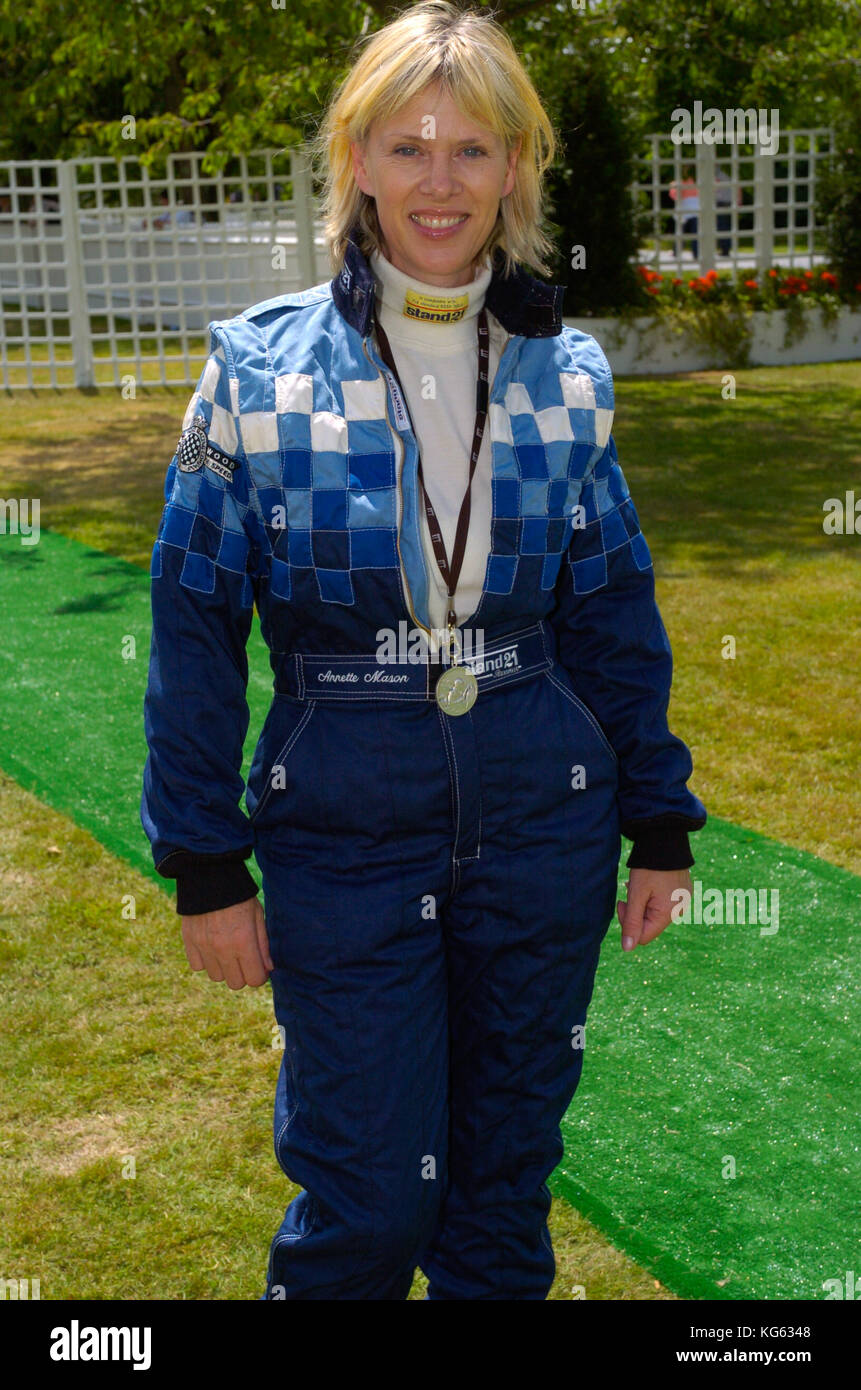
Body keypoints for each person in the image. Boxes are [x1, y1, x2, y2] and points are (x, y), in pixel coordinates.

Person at [141, 0, 706, 1301]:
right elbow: (193, 625)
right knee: (372, 1200)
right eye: (408, 147)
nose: (438, 182)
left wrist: (658, 821)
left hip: (543, 818)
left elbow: (612, 608)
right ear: (357, 161)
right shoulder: (253, 371)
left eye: (470, 149)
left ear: (514, 165)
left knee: (502, 1198)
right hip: (346, 819)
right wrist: (203, 858)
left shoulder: (571, 372)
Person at [669, 166, 700, 259]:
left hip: (684, 209)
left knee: (680, 232)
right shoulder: (698, 182)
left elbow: (675, 196)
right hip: (696, 208)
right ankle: (696, 254)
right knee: (696, 234)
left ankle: (676, 251)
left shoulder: (679, 183)